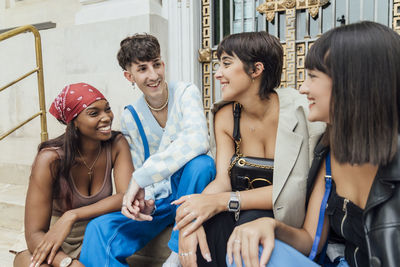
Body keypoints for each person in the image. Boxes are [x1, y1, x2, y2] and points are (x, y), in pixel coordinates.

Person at [226, 21, 400, 267]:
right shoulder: (330, 152)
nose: (302, 88)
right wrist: (271, 225)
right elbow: (311, 239)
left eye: (313, 77)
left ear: (352, 84)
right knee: (246, 249)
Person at [171, 31, 325, 267]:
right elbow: (222, 180)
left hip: (282, 218)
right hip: (236, 210)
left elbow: (293, 191)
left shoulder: (305, 114)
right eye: (217, 64)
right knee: (206, 228)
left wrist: (223, 202)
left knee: (246, 228)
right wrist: (193, 215)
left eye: (226, 63)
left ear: (256, 70)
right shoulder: (225, 116)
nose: (217, 73)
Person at [79, 34, 215, 267]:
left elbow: (198, 140)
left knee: (201, 163)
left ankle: (175, 254)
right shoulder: (131, 114)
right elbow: (140, 163)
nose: (153, 75)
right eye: (142, 68)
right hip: (160, 202)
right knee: (99, 229)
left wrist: (139, 180)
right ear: (129, 76)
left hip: (192, 190)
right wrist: (147, 199)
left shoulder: (185, 92)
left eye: (157, 64)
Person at [13, 82, 133, 267]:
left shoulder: (116, 144)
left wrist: (72, 215)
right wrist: (68, 263)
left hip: (95, 235)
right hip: (50, 237)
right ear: (74, 121)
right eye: (94, 113)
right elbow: (35, 234)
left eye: (107, 109)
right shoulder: (50, 159)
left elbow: (126, 196)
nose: (106, 117)